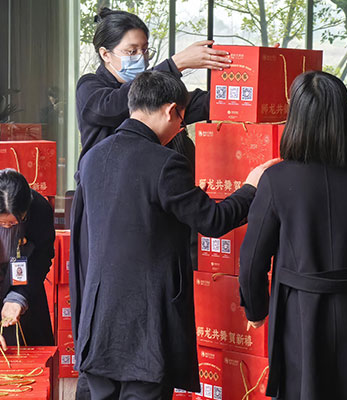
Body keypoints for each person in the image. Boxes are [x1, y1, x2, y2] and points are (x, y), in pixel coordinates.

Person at [70, 70, 277, 399]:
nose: (181, 128)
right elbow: (212, 221)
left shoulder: (92, 157)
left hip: (98, 321)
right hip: (147, 323)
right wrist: (250, 188)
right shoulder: (165, 163)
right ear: (171, 110)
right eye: (182, 119)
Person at [239, 71, 347, 400]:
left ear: (296, 118)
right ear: (342, 116)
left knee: (306, 388)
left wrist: (255, 310)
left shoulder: (276, 179)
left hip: (302, 313)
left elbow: (253, 259)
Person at [76, 7, 231, 164]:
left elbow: (202, 103)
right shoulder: (89, 87)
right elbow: (113, 107)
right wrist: (175, 64)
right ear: (105, 54)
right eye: (131, 51)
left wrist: (240, 86)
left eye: (144, 50)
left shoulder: (159, 91)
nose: (141, 57)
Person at [0, 169, 55, 349]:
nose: (7, 227)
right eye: (2, 223)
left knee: (32, 348)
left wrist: (19, 296)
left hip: (26, 282)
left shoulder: (39, 209)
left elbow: (42, 256)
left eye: (13, 223)